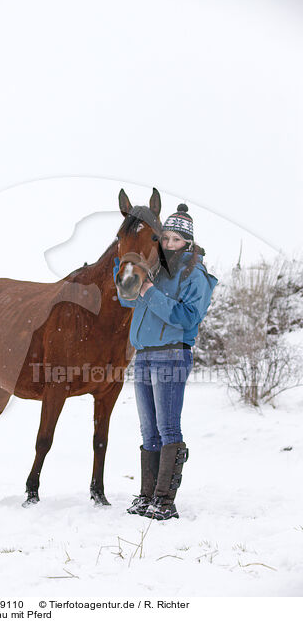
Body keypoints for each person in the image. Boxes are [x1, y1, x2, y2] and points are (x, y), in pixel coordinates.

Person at [113, 203, 218, 520]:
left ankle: (165, 501)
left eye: (176, 239)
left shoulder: (193, 274)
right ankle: (147, 497)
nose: (170, 243)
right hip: (143, 356)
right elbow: (124, 297)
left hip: (172, 355)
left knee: (168, 428)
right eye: (166, 238)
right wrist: (129, 268)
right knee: (149, 431)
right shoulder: (154, 268)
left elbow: (186, 317)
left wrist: (148, 291)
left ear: (187, 242)